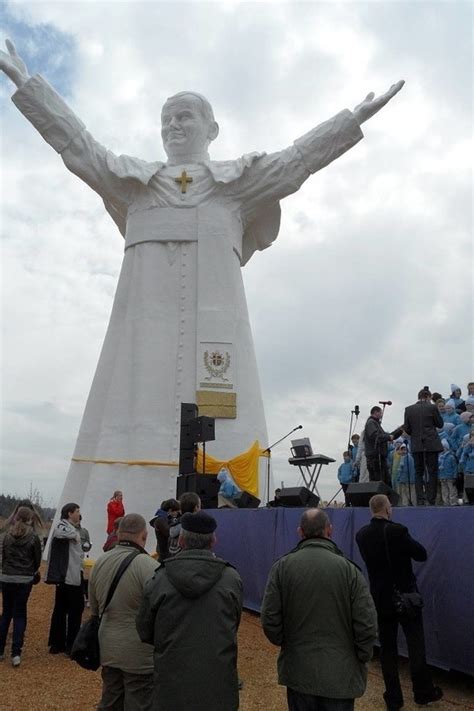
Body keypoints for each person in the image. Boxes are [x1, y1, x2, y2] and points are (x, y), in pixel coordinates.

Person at [0, 39, 404, 547]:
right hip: (140, 335)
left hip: (218, 330)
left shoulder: (232, 186)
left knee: (223, 409)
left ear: (211, 129)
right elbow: (77, 145)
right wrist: (29, 86)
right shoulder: (135, 184)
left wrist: (351, 120)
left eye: (185, 117)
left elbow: (297, 161)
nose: (173, 126)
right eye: (167, 118)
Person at [261, 508, 377, 710]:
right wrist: (361, 657)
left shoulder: (282, 568)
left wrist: (288, 644)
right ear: (329, 530)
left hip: (299, 673)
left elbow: (270, 618)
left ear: (300, 532)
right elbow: (366, 624)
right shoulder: (350, 571)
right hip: (340, 676)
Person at [136, 511, 243, 711]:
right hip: (217, 682)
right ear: (213, 541)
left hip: (171, 681)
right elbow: (233, 623)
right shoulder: (231, 578)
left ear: (182, 540)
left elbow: (144, 629)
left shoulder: (159, 579)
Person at [356, 495, 443, 710]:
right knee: (416, 646)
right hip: (405, 597)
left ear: (371, 510)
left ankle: (393, 699)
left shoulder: (362, 535)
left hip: (381, 599)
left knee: (388, 650)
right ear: (387, 509)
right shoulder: (398, 531)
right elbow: (421, 554)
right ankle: (422, 692)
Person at [89, 513, 157, 710]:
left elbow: (94, 609)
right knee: (139, 703)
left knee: (110, 700)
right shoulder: (149, 566)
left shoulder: (100, 562)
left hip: (108, 644)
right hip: (139, 651)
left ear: (118, 533)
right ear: (144, 536)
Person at [0, 506, 42, 667]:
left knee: (6, 614)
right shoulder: (33, 537)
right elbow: (37, 560)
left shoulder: (7, 536)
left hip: (7, 577)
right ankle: (16, 653)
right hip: (24, 579)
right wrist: (31, 571)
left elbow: (4, 556)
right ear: (30, 519)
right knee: (19, 614)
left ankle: (0, 650)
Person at [45, 502, 85, 655]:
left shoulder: (71, 527)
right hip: (68, 575)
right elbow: (58, 532)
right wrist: (74, 535)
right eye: (77, 511)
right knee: (72, 610)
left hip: (71, 574)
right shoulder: (63, 526)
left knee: (62, 609)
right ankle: (65, 644)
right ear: (69, 513)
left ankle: (61, 643)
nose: (78, 513)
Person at [403, 388, 444, 505]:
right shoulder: (432, 407)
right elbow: (440, 424)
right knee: (432, 472)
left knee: (418, 472)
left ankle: (420, 500)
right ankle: (431, 499)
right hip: (431, 444)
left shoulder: (409, 409)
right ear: (428, 397)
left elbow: (407, 429)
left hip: (416, 445)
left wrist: (416, 434)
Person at [364, 406, 401, 486]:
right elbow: (375, 436)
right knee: (378, 482)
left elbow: (385, 435)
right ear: (376, 412)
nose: (381, 415)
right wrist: (388, 437)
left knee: (386, 481)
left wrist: (400, 430)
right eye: (380, 412)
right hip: (375, 458)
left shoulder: (376, 424)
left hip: (380, 457)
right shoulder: (371, 423)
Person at [438, 440, 458, 506]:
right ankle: (446, 502)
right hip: (442, 476)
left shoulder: (451, 457)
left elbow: (455, 467)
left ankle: (453, 502)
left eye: (444, 447)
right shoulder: (439, 458)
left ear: (447, 448)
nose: (442, 449)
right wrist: (439, 476)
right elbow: (438, 468)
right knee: (444, 491)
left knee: (452, 490)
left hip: (450, 476)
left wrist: (455, 476)